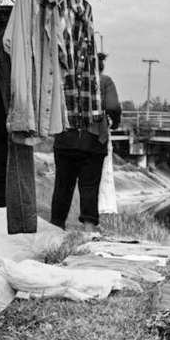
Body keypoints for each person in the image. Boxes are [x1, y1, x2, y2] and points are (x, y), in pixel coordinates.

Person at [49, 52, 122, 234]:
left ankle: (57, 225)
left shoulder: (66, 80)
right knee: (89, 185)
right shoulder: (104, 81)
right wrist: (114, 122)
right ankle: (89, 228)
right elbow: (113, 107)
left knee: (62, 185)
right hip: (93, 141)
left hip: (65, 139)